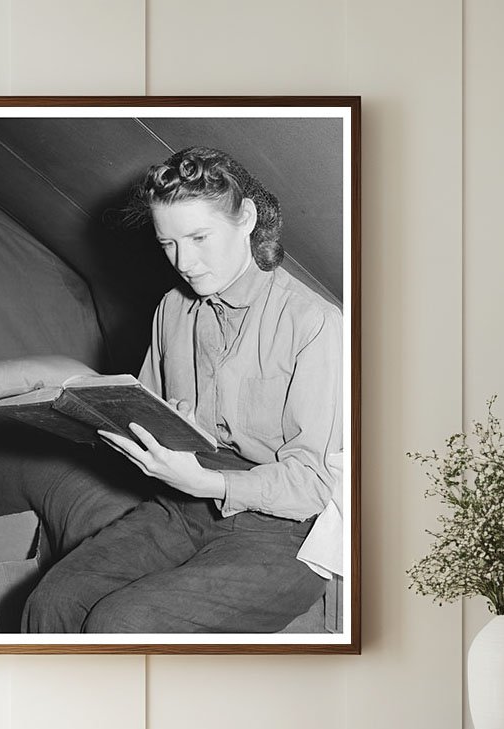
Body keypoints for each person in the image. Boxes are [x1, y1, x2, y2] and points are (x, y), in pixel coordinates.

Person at [21, 147, 343, 633]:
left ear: (247, 219)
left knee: (123, 621)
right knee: (54, 600)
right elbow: (149, 412)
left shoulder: (314, 323)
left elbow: (315, 486)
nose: (183, 262)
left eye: (198, 237)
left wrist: (208, 483)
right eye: (167, 243)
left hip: (282, 536)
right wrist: (104, 425)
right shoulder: (172, 308)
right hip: (181, 508)